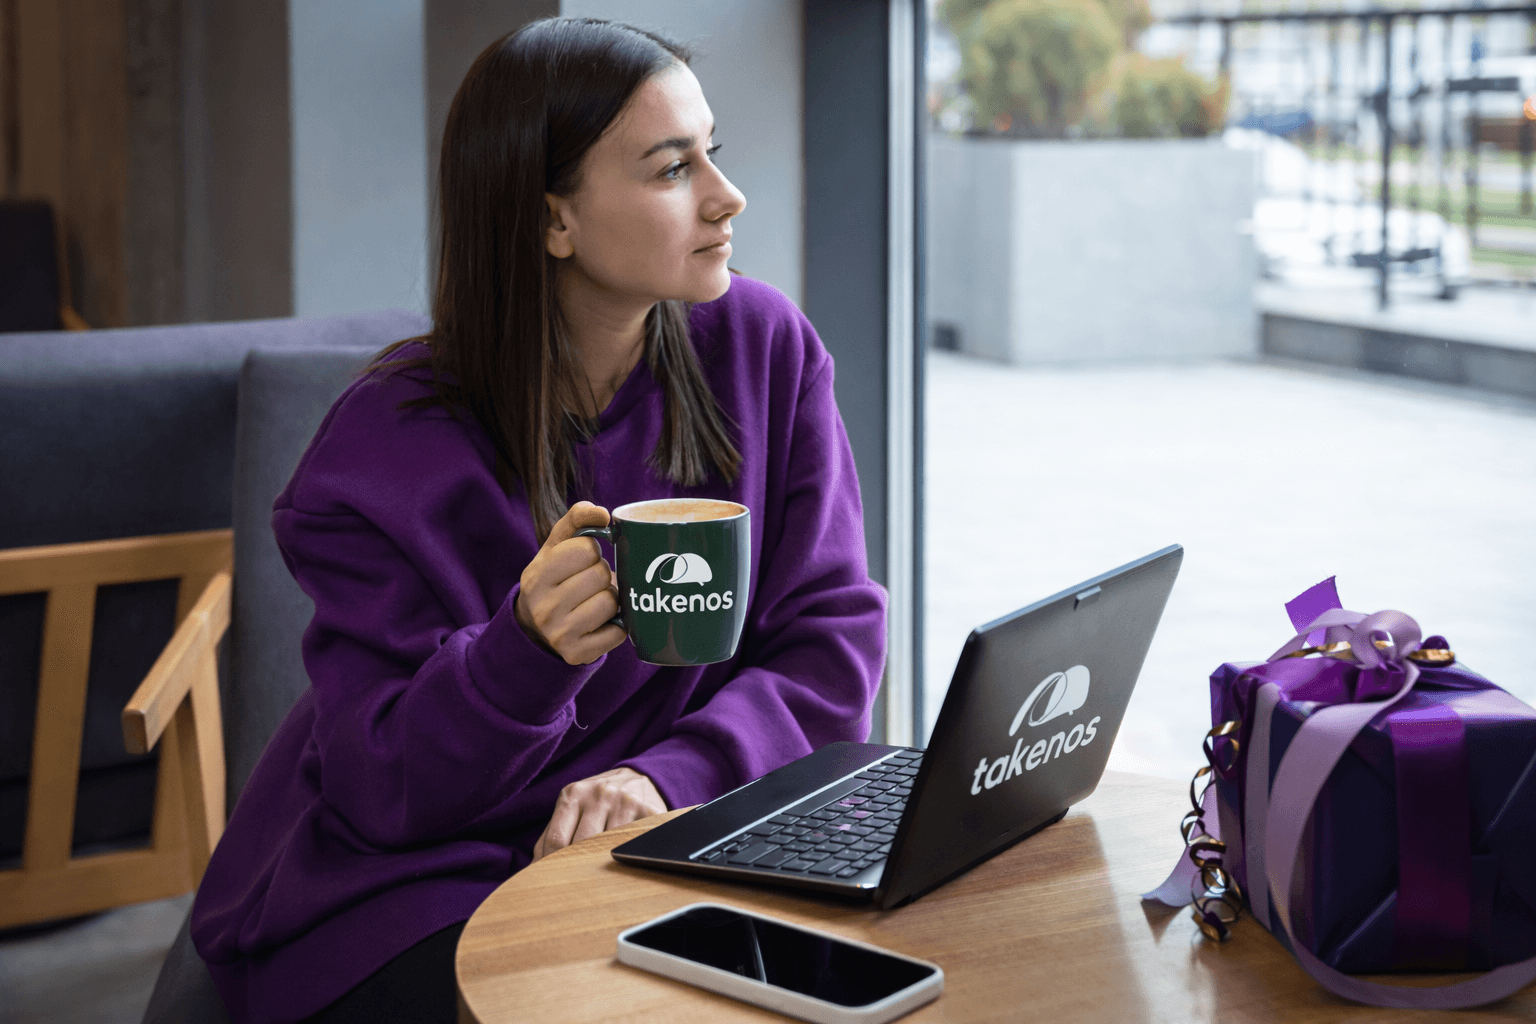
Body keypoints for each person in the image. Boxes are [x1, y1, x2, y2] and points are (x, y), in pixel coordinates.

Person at [190, 17, 886, 1024]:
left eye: (712, 153)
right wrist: (518, 654)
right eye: (671, 168)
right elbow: (379, 787)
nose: (726, 195)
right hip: (422, 876)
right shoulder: (379, 450)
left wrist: (668, 777)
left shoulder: (764, 348)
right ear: (553, 218)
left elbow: (832, 643)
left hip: (668, 843)